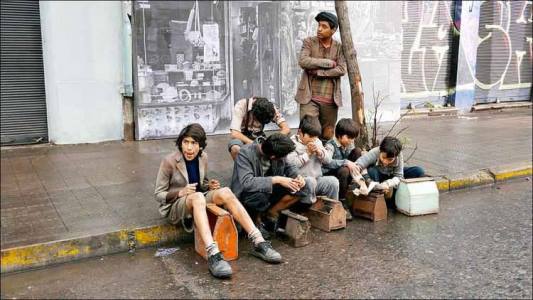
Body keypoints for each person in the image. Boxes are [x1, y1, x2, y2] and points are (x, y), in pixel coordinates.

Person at [154, 124, 282, 279]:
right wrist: (180, 192)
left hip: (196, 199)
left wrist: (210, 185)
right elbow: (159, 194)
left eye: (194, 143)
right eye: (185, 142)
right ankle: (213, 253)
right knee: (198, 197)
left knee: (225, 192)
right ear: (180, 143)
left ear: (200, 146)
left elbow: (201, 185)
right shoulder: (169, 161)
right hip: (175, 205)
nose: (189, 148)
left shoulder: (203, 157)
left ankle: (258, 241)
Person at [230, 133, 313, 236]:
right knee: (260, 195)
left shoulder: (277, 149)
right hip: (247, 195)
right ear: (273, 157)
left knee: (304, 187)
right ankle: (256, 223)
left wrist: (297, 176)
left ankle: (270, 213)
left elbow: (289, 166)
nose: (284, 158)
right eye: (282, 157)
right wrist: (277, 179)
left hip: (269, 191)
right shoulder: (245, 153)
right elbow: (247, 183)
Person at [295, 11, 347, 142]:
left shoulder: (340, 47)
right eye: (318, 25)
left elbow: (341, 69)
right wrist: (329, 63)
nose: (319, 29)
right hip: (309, 97)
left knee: (327, 135)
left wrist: (319, 72)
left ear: (333, 30)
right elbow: (303, 61)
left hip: (330, 100)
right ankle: (304, 160)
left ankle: (323, 160)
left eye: (324, 26)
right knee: (307, 132)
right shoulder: (309, 42)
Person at [354, 136, 425, 207]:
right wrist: (363, 182)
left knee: (418, 171)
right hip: (377, 177)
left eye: (390, 159)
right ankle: (378, 197)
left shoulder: (398, 154)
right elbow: (357, 166)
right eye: (383, 158)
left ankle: (402, 198)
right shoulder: (375, 152)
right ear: (380, 151)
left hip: (391, 177)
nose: (385, 162)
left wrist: (388, 183)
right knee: (372, 171)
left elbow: (399, 176)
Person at [285, 115, 339, 205]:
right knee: (310, 181)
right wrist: (307, 154)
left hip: (316, 180)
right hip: (299, 183)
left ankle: (330, 210)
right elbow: (291, 165)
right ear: (300, 132)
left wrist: (320, 152)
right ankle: (306, 209)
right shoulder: (291, 143)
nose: (313, 139)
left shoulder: (317, 141)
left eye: (315, 136)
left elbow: (328, 160)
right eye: (310, 136)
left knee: (333, 182)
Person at [323, 118, 368, 220]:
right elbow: (327, 162)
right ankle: (342, 201)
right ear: (339, 135)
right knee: (344, 170)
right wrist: (346, 162)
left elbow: (354, 157)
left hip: (345, 172)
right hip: (332, 174)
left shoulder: (349, 143)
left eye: (353, 138)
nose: (351, 141)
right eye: (349, 138)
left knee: (357, 151)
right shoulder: (330, 145)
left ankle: (360, 182)